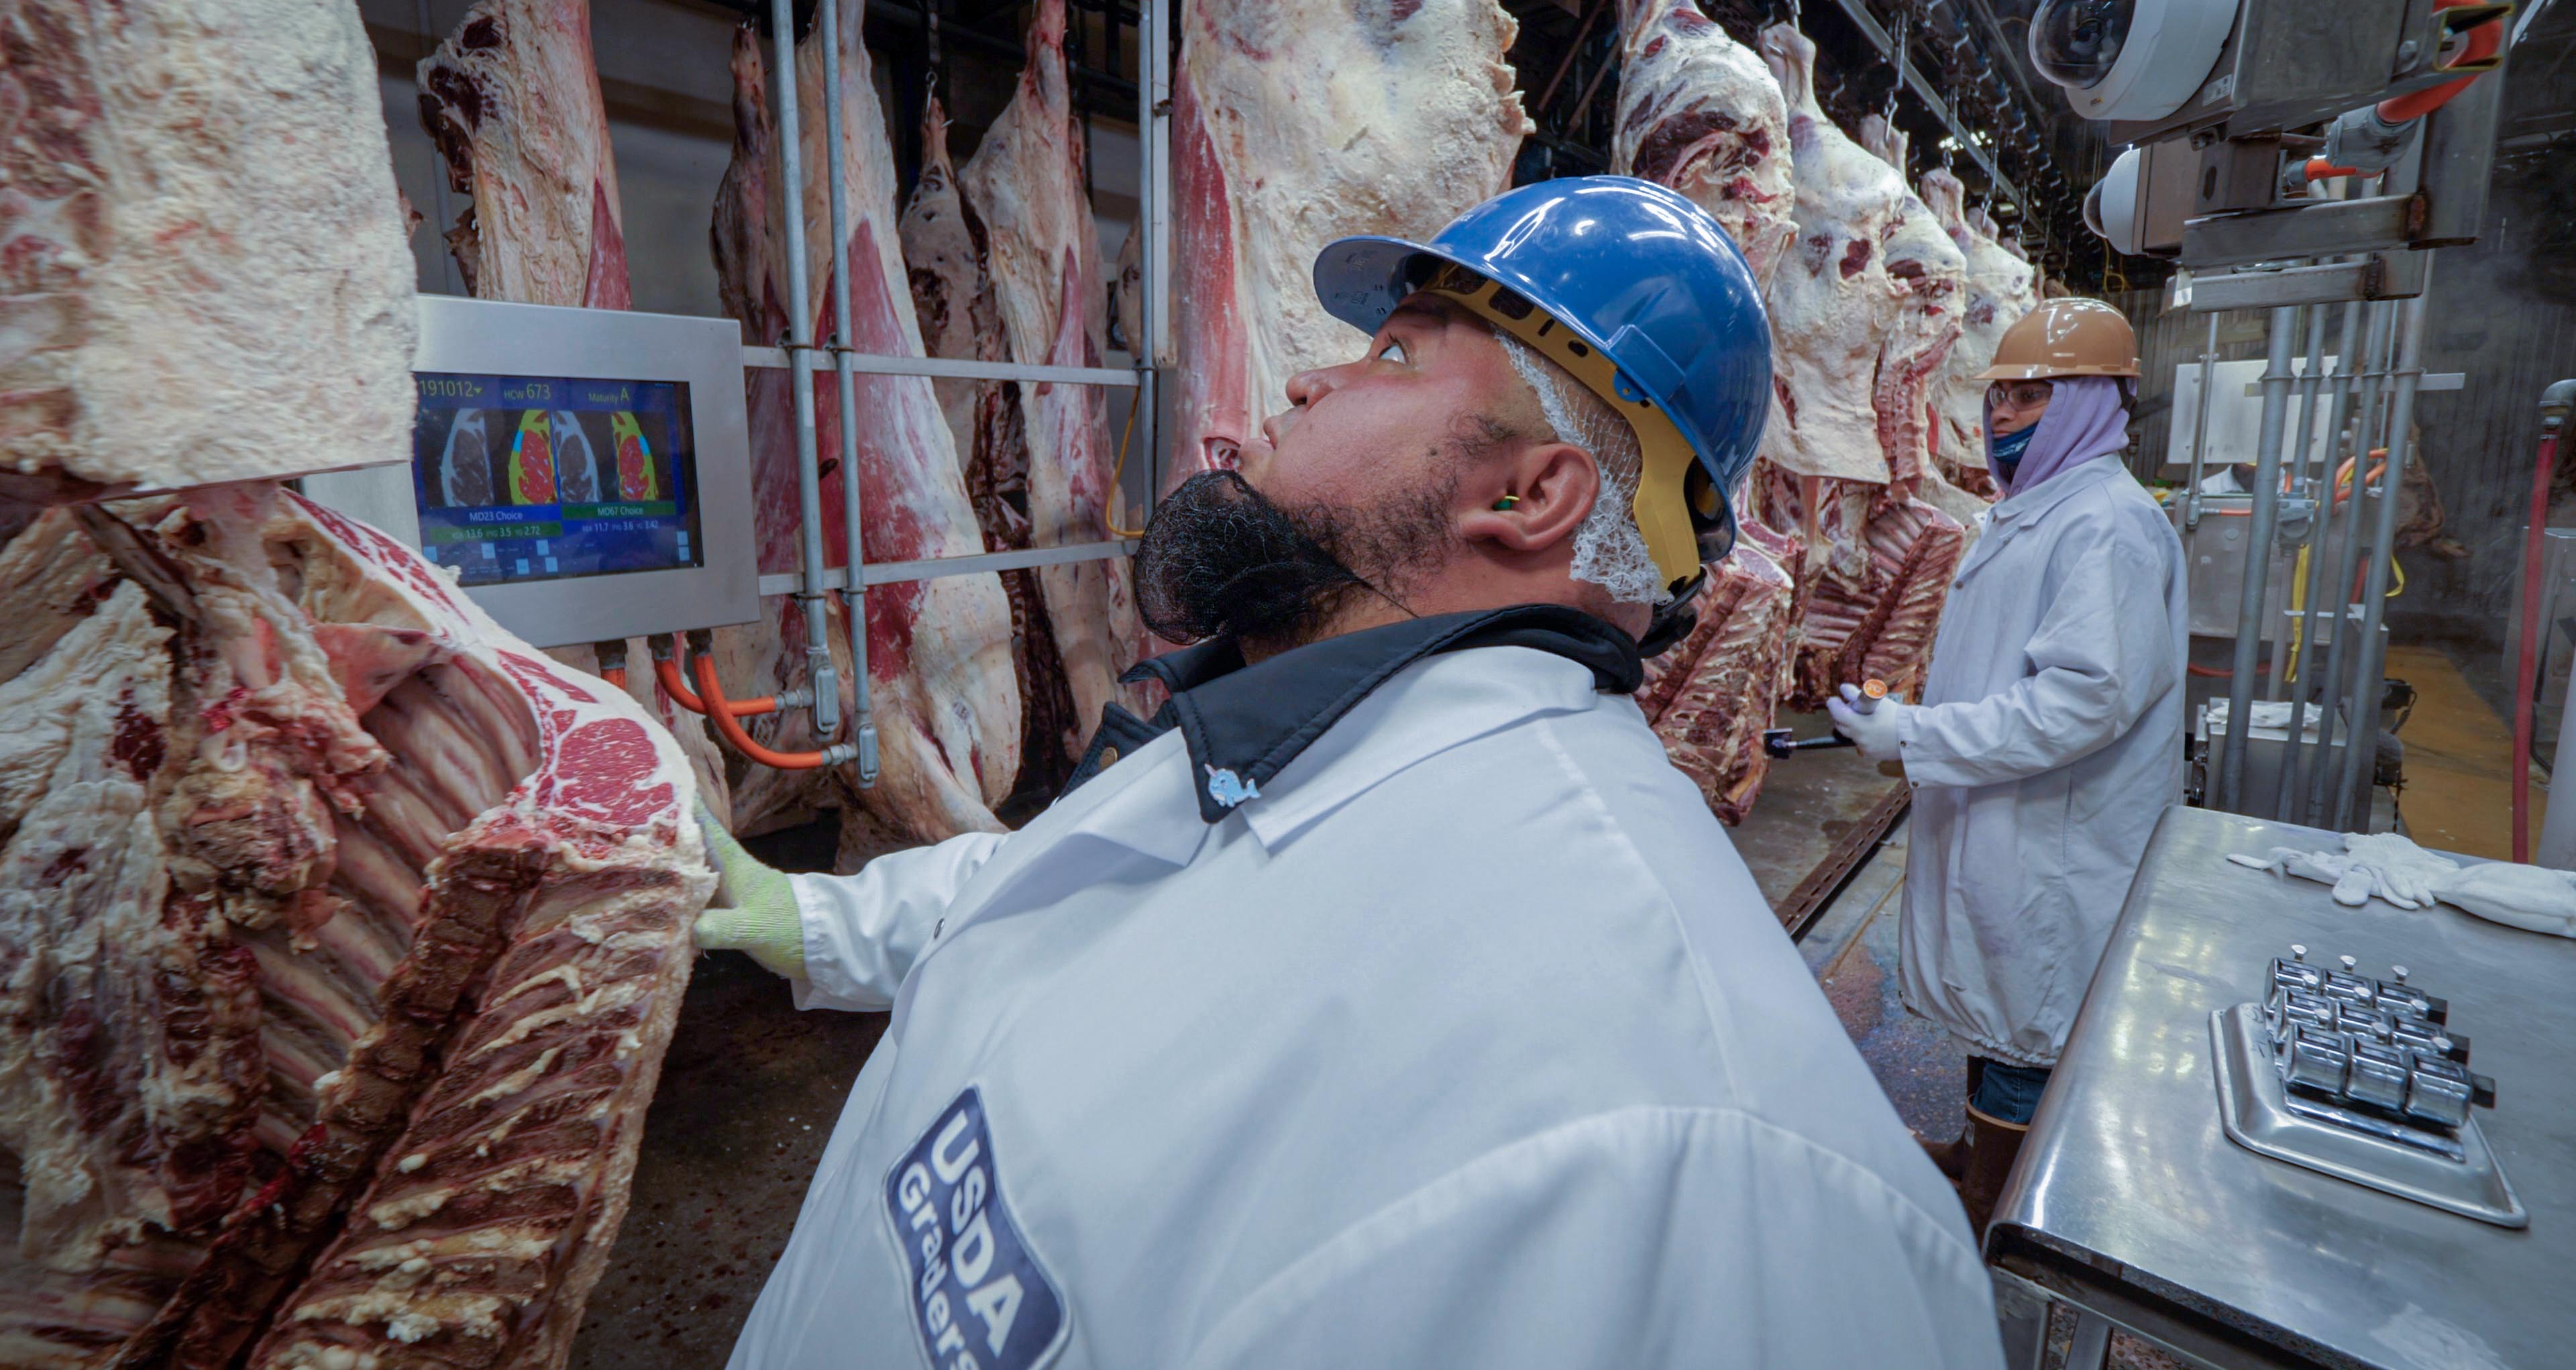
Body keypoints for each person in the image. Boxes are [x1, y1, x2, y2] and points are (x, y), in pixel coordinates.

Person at [700, 177, 2002, 1369]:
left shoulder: (1714, 1141)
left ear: (1532, 494)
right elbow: (1116, 891)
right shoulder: (1309, 725)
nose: (1309, 382)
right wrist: (802, 916)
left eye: (1392, 354)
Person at [1827, 297, 2187, 1229]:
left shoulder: (2105, 524)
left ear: (2091, 402)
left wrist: (1917, 737)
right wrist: (1914, 726)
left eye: (2029, 399)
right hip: (2011, 817)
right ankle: (1975, 1152)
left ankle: (2000, 1215)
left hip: (2054, 838)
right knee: (2000, 1008)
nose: (2001, 419)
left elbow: (2084, 701)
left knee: (2029, 1023)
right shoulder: (2038, 514)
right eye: (1999, 398)